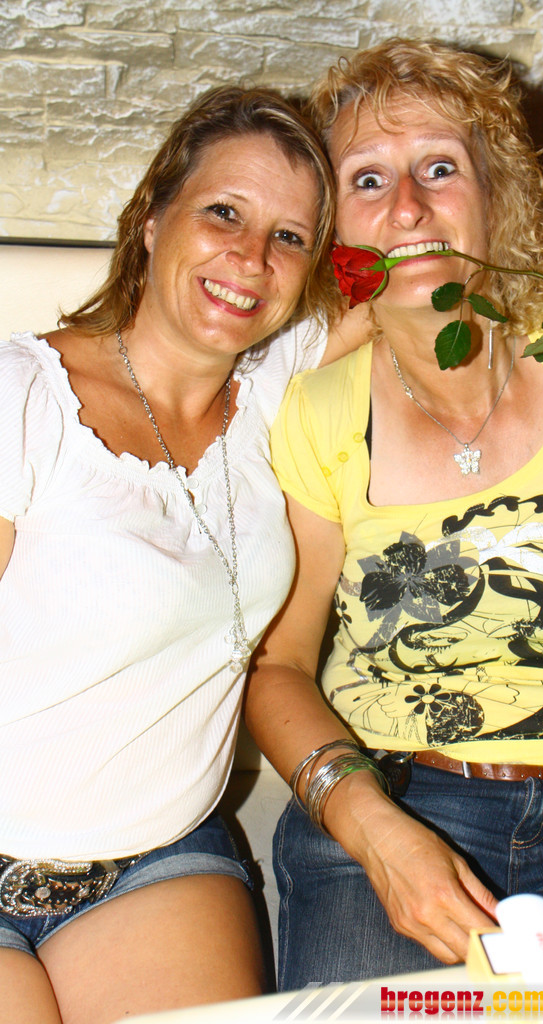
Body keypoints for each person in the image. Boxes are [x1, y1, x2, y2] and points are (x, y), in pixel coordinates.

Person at [244, 38, 543, 989]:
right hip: (396, 804)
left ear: (496, 192)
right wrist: (372, 826)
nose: (407, 207)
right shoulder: (316, 408)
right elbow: (277, 666)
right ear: (332, 230)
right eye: (367, 180)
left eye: (439, 168)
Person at [0, 85, 338, 1024]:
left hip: (159, 858)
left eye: (289, 236)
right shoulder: (23, 396)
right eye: (224, 212)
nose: (251, 257)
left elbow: (450, 261)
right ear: (151, 219)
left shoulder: (281, 384)